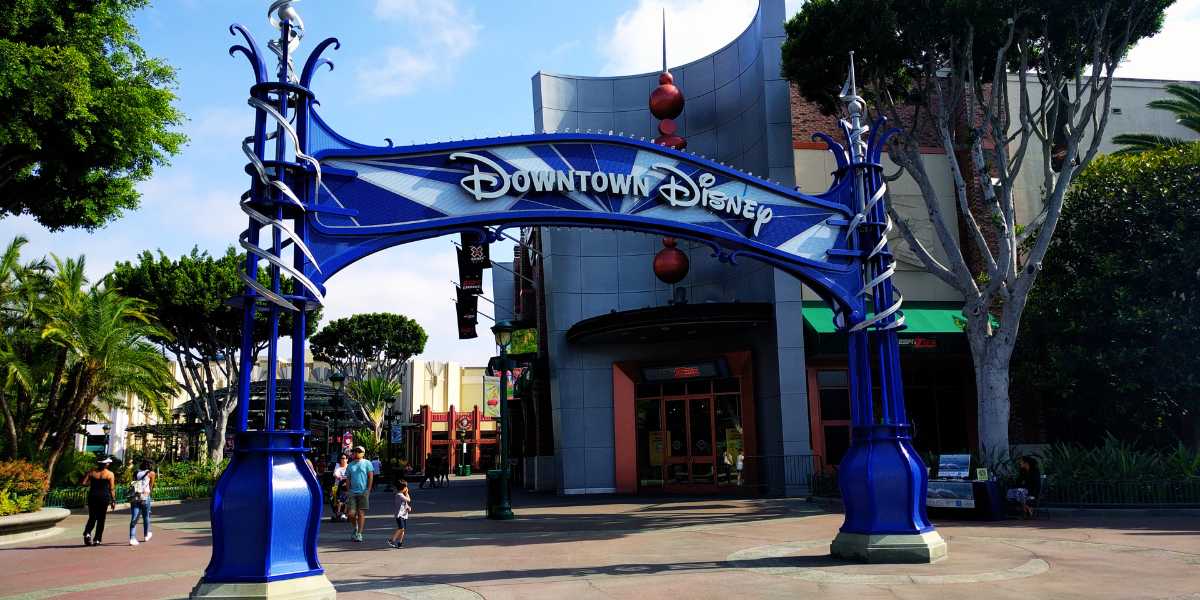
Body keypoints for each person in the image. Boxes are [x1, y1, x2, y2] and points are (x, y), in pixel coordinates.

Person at [81, 456, 116, 546]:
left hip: (92, 496)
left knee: (92, 516)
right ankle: (97, 539)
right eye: (108, 463)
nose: (109, 464)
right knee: (101, 518)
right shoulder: (110, 474)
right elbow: (112, 488)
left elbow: (83, 483)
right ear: (105, 464)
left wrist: (93, 484)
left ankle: (87, 532)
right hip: (104, 497)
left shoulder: (92, 472)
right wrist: (113, 500)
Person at [345, 445, 374, 542]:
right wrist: (348, 491)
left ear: (363, 453)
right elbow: (348, 479)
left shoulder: (367, 463)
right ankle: (355, 527)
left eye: (358, 451)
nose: (356, 453)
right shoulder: (350, 465)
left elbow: (370, 477)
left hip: (363, 492)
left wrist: (368, 490)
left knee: (361, 513)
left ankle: (359, 534)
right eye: (355, 451)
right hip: (352, 492)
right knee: (351, 514)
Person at [128, 459, 157, 546]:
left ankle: (132, 538)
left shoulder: (136, 472)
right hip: (145, 496)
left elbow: (133, 483)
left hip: (135, 496)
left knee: (134, 517)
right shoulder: (151, 473)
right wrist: (148, 494)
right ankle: (146, 535)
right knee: (146, 516)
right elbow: (151, 486)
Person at [387, 480, 412, 549]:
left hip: (404, 514)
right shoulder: (399, 495)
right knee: (401, 528)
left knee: (403, 529)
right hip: (399, 515)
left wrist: (408, 507)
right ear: (403, 488)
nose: (407, 488)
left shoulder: (401, 495)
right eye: (406, 487)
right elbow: (408, 499)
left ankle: (400, 543)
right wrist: (407, 493)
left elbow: (405, 503)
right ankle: (391, 540)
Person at [331, 454, 349, 521]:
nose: (342, 460)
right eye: (341, 458)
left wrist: (346, 480)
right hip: (337, 486)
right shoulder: (338, 466)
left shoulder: (349, 467)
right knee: (335, 500)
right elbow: (335, 474)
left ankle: (345, 514)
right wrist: (339, 477)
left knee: (346, 500)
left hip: (347, 486)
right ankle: (337, 513)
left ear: (347, 459)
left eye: (344, 458)